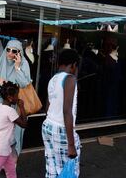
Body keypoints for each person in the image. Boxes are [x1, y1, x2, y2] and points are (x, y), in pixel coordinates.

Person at [42, 49, 81, 178]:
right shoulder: (70, 79)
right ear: (74, 65)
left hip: (48, 126)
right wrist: (71, 145)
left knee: (52, 169)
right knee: (69, 170)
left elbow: (47, 108)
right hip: (61, 128)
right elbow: (67, 111)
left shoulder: (52, 79)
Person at [0, 81, 27, 178]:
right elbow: (24, 124)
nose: (18, 97)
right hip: (2, 147)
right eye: (16, 95)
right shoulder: (10, 111)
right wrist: (22, 107)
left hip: (2, 145)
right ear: (10, 98)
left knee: (10, 169)